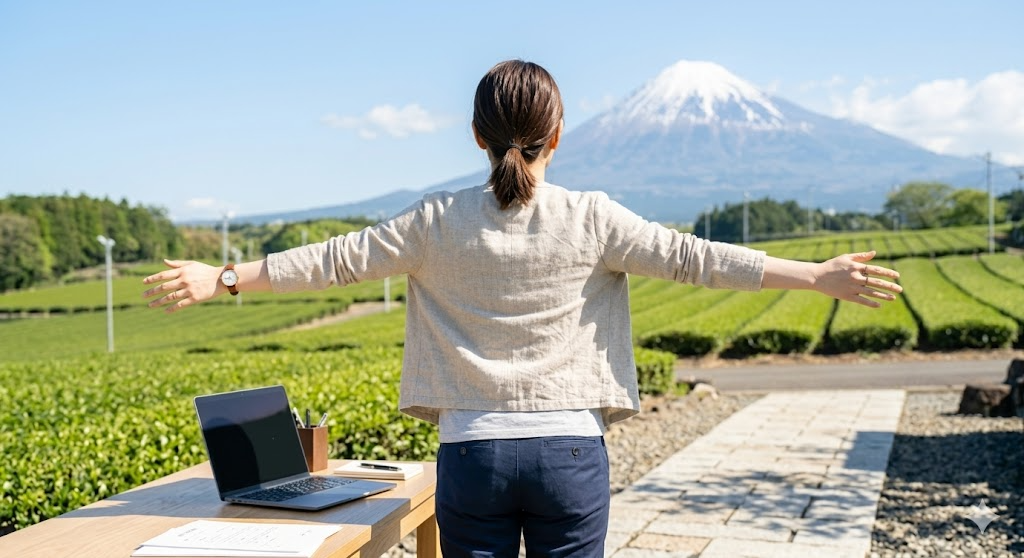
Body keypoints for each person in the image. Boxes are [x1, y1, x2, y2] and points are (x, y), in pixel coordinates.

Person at [143, 60, 902, 557]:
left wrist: (226, 277)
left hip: (472, 455)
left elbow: (332, 260)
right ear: (557, 135)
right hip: (572, 453)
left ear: (478, 136)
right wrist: (817, 275)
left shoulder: (433, 220)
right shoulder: (595, 216)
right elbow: (698, 259)